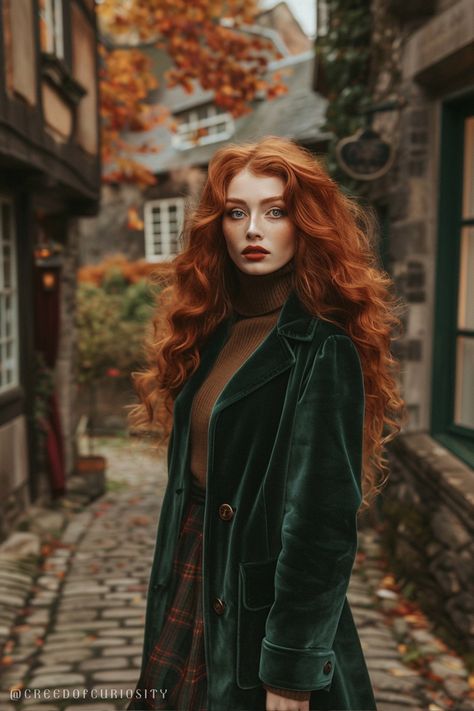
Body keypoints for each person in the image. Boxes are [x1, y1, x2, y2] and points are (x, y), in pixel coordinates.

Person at [126, 136, 405, 711]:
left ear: (304, 224)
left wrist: (290, 670)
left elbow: (321, 527)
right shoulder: (211, 333)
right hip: (193, 571)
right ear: (218, 225)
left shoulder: (321, 349)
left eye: (274, 211)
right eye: (237, 211)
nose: (254, 228)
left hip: (262, 611)